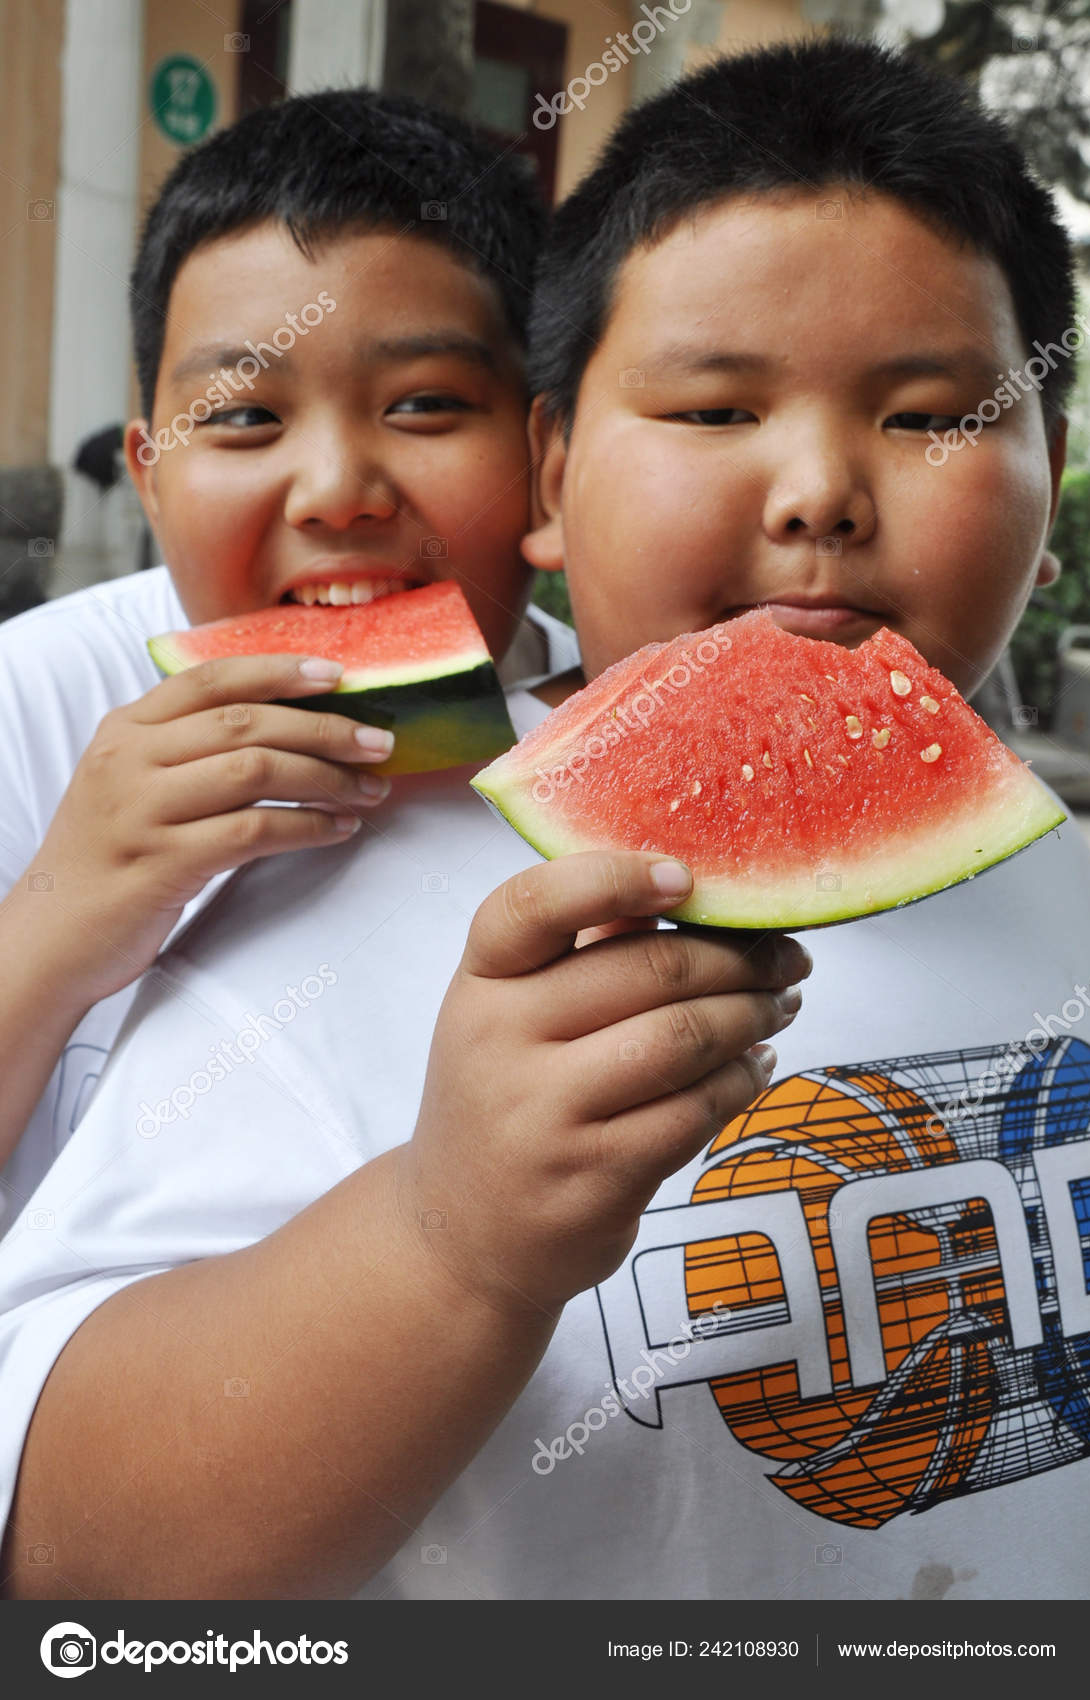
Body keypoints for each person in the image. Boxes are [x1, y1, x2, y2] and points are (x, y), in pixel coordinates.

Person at [5, 32, 1088, 1602]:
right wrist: (445, 1241)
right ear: (550, 472)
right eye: (713, 413)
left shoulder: (1045, 863)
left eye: (928, 413)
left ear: (1046, 481)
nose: (816, 493)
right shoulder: (318, 895)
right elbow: (68, 1552)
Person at [0, 85, 578, 1204]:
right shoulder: (31, 702)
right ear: (150, 471)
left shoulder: (601, 712)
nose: (337, 492)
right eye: (245, 418)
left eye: (423, 405)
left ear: (546, 450)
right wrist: (65, 909)